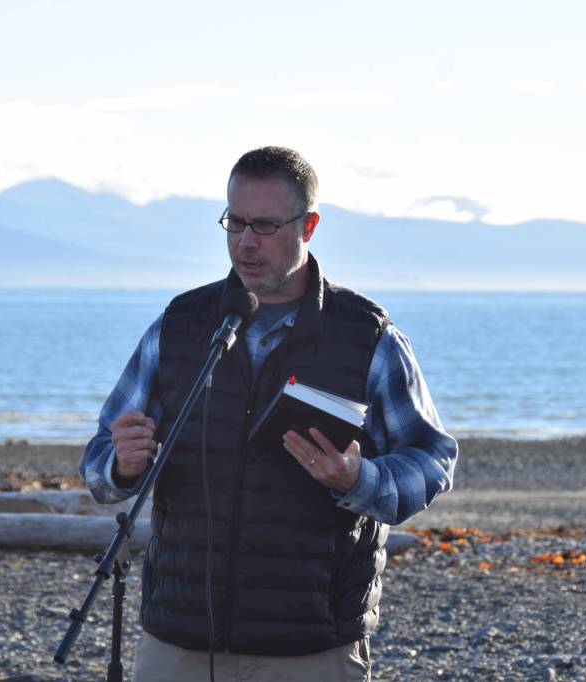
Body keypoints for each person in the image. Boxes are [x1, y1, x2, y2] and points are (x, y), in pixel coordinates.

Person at [81, 146, 457, 681]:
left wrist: (360, 479)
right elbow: (100, 462)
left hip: (312, 645)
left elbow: (433, 459)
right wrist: (123, 465)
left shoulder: (367, 337)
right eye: (235, 222)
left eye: (264, 225)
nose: (245, 242)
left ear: (309, 226)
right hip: (179, 639)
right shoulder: (181, 325)